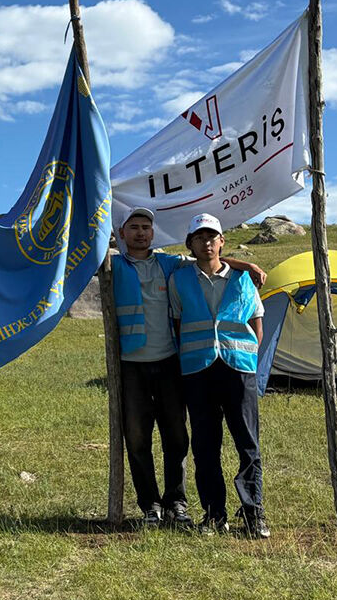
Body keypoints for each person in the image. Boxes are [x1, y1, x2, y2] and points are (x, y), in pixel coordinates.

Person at [113, 206, 265, 527]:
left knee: (178, 437)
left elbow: (211, 262)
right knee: (139, 439)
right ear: (121, 234)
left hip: (172, 363)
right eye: (134, 227)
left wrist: (246, 263)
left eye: (146, 227)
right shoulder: (111, 267)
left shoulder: (169, 265)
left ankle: (178, 504)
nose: (141, 232)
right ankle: (152, 506)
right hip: (131, 365)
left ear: (154, 234)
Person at [168, 212, 268, 538]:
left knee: (247, 444)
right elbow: (179, 324)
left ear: (222, 242)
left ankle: (254, 514)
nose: (207, 242)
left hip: (239, 370)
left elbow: (256, 321)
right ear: (191, 244)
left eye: (212, 237)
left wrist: (250, 356)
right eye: (200, 237)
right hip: (198, 371)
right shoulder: (179, 279)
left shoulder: (242, 280)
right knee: (205, 446)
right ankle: (214, 515)